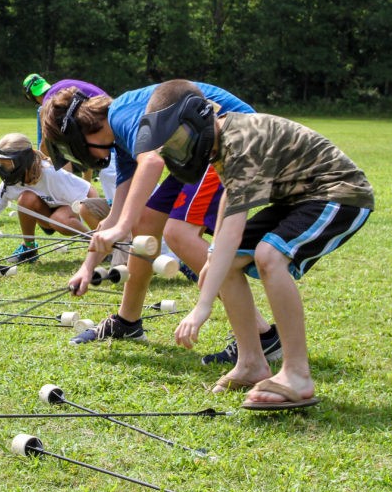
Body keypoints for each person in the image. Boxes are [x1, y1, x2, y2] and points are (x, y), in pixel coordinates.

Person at [142, 80, 374, 410]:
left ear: (197, 118)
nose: (178, 152)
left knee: (269, 255)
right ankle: (251, 362)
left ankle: (297, 375)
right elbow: (229, 200)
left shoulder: (241, 141)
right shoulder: (222, 140)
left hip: (339, 193)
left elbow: (233, 230)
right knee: (225, 262)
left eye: (178, 140)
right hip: (297, 199)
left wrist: (203, 305)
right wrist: (213, 256)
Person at [40, 81, 281, 361]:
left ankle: (262, 337)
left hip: (236, 143)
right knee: (145, 223)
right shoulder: (121, 137)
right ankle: (127, 322)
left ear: (81, 137)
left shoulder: (121, 116)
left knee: (179, 233)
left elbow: (152, 163)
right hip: (202, 149)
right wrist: (87, 266)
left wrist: (121, 227)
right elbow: (116, 216)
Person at [0, 132, 99, 264]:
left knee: (59, 219)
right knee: (26, 198)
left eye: (7, 164)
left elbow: (89, 191)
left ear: (22, 161)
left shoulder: (51, 174)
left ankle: (96, 244)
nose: (2, 168)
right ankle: (29, 248)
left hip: (67, 212)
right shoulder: (10, 183)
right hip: (43, 214)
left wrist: (101, 231)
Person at [23, 73, 117, 219]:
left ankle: (118, 214)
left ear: (31, 97)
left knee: (110, 172)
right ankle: (86, 193)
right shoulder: (61, 87)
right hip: (110, 116)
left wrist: (39, 159)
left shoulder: (50, 103)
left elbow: (47, 144)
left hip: (106, 124)